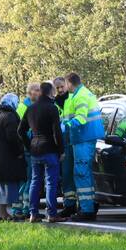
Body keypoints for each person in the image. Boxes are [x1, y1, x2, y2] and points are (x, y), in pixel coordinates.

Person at [19, 81, 65, 223]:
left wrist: (29, 145)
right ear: (50, 92)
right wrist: (61, 150)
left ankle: (33, 213)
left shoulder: (30, 108)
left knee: (35, 181)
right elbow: (56, 132)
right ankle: (51, 214)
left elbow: (20, 130)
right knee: (51, 182)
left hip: (35, 150)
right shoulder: (52, 108)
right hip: (50, 149)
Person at [61, 72, 104, 221]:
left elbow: (81, 117)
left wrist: (65, 126)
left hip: (83, 137)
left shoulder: (80, 96)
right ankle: (89, 205)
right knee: (85, 172)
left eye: (65, 84)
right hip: (84, 137)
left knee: (81, 172)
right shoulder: (81, 94)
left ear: (69, 83)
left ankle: (87, 210)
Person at [0, 93, 28, 221]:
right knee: (8, 186)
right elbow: (13, 138)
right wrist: (20, 151)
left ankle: (2, 213)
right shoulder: (10, 116)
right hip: (7, 157)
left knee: (0, 187)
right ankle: (4, 213)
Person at [11, 82, 41, 220]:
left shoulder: (32, 106)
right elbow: (20, 130)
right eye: (36, 90)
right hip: (26, 147)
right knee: (27, 179)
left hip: (29, 147)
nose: (39, 92)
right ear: (30, 92)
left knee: (28, 179)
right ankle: (22, 208)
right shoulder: (24, 107)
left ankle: (23, 207)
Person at [52, 76, 78, 217]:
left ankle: (79, 204)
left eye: (62, 86)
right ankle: (69, 204)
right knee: (66, 175)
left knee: (78, 174)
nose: (61, 90)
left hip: (75, 139)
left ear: (66, 85)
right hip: (62, 142)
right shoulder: (54, 102)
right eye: (58, 88)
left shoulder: (73, 98)